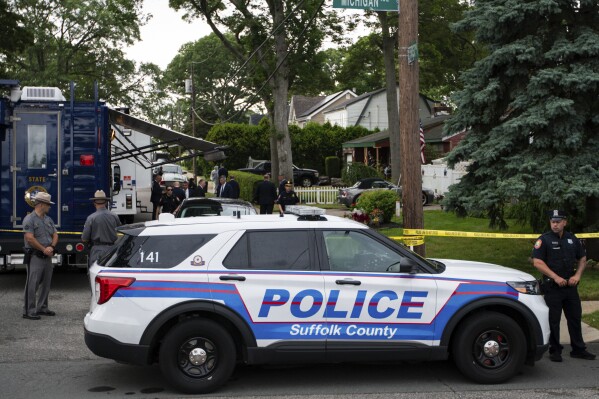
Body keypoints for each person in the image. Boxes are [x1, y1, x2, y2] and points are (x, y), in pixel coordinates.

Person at [531, 209, 596, 362]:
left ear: (564, 222)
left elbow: (582, 258)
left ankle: (578, 349)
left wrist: (577, 275)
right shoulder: (544, 240)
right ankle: (555, 351)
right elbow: (537, 262)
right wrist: (555, 277)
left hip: (570, 287)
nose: (555, 225)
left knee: (574, 318)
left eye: (558, 222)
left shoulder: (572, 239)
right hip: (553, 287)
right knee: (553, 320)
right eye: (553, 222)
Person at [22, 192, 58, 320]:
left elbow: (55, 234)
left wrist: (52, 247)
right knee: (32, 284)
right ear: (41, 204)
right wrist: (44, 249)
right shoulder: (29, 219)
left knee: (46, 283)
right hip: (35, 256)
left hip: (47, 256)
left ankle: (42, 307)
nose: (49, 207)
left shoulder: (48, 219)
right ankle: (28, 310)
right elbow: (30, 239)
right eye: (48, 204)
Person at [81, 190, 121, 267]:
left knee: (96, 275)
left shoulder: (91, 218)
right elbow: (119, 230)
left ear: (94, 203)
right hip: (112, 249)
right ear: (106, 202)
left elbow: (84, 239)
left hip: (97, 250)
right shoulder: (114, 216)